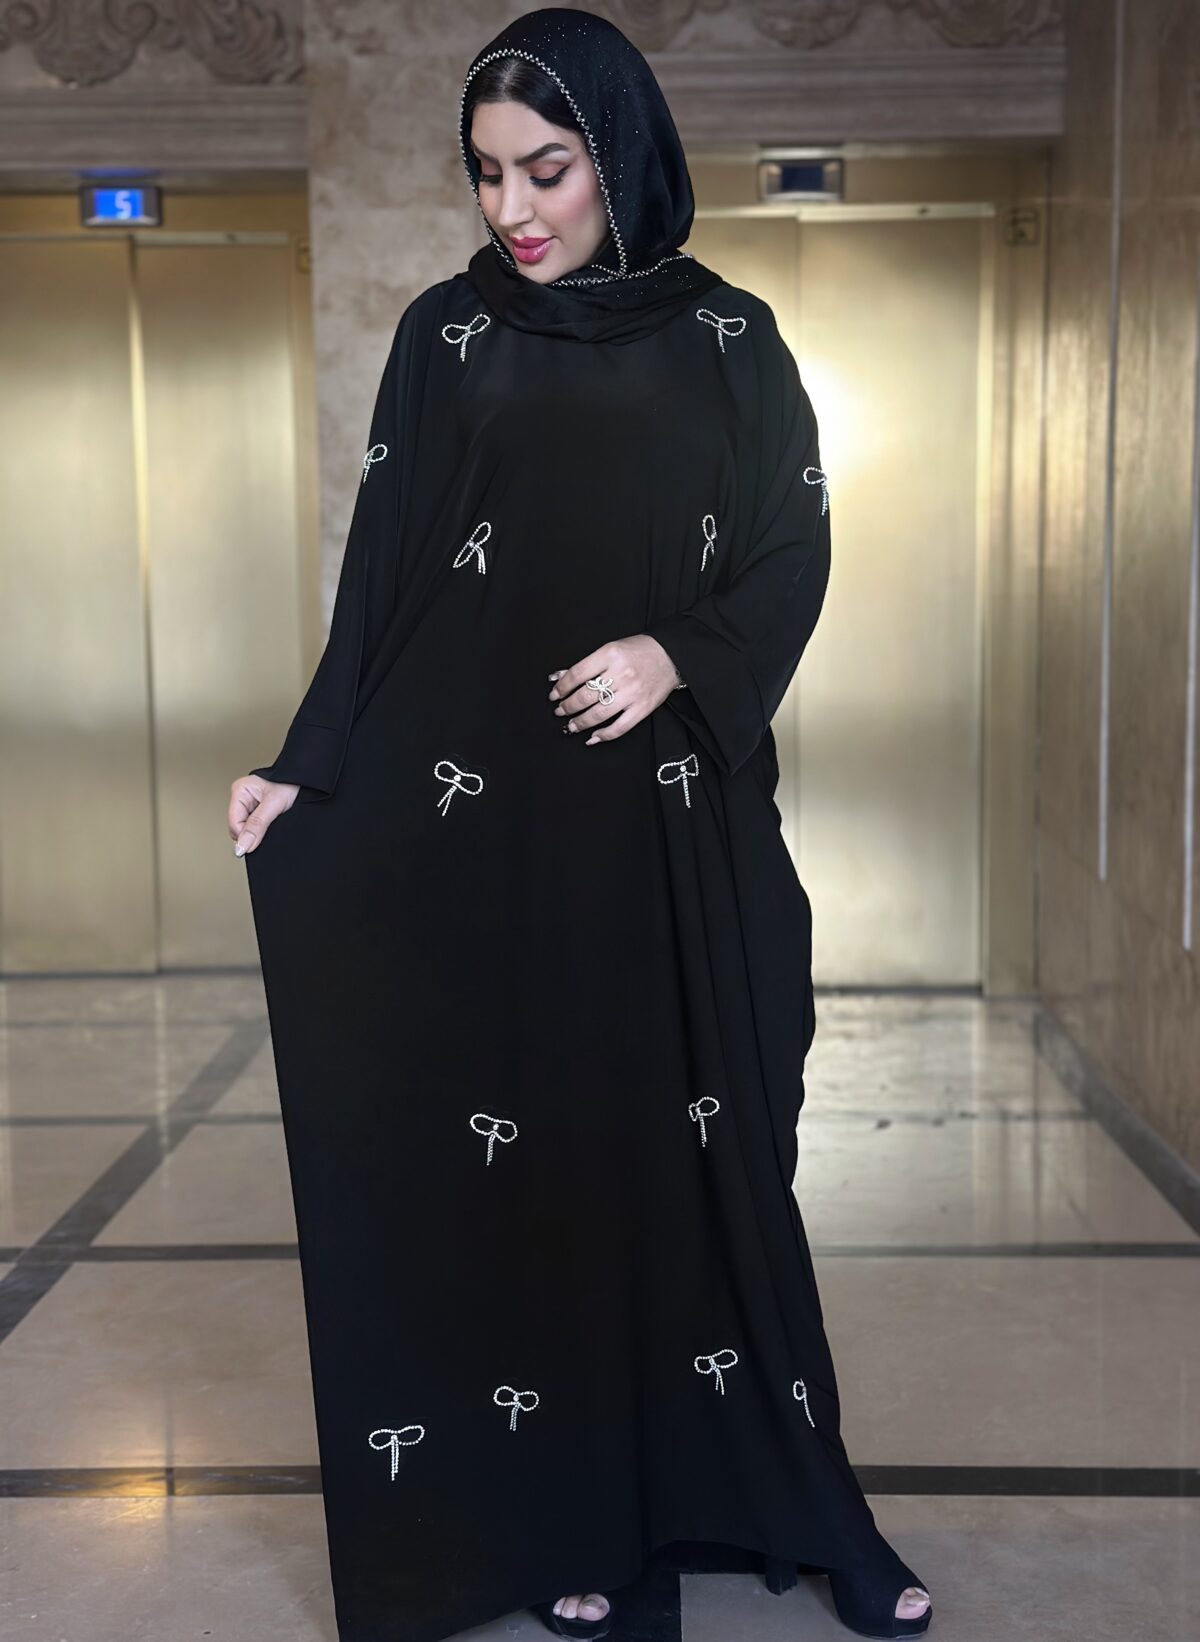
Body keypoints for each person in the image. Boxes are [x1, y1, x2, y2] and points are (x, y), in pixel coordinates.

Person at [228, 9, 933, 1641]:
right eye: (486, 174)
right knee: (545, 1167)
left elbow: (795, 546)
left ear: (622, 155)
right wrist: (308, 765)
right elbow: (385, 574)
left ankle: (793, 1494)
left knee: (721, 1154)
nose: (514, 208)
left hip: (683, 827)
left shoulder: (733, 337)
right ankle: (570, 1517)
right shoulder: (445, 337)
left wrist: (675, 654)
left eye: (546, 169)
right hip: (509, 841)